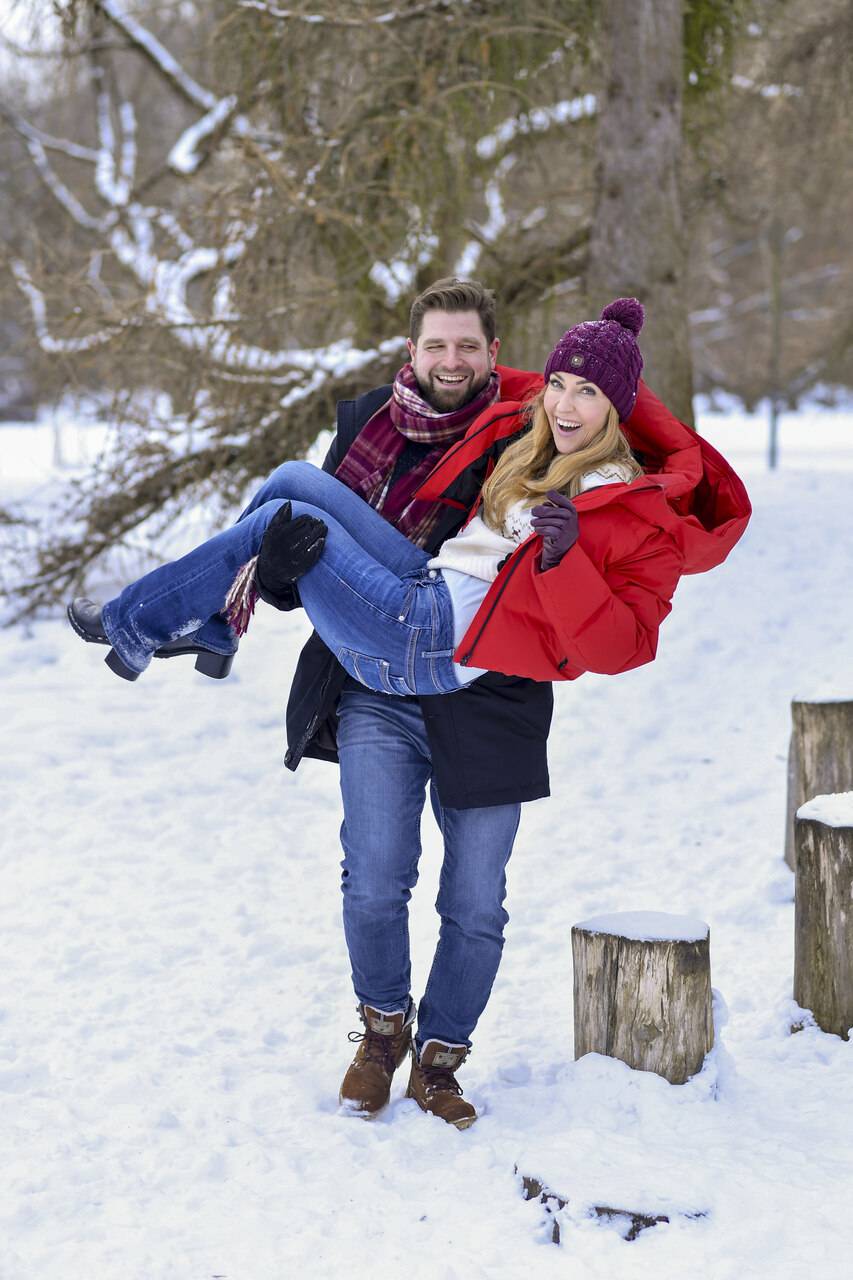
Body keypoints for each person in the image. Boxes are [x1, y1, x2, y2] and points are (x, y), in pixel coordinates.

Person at [67, 283, 751, 1128]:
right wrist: (269, 575)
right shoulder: (503, 431)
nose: (567, 402)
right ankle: (381, 1032)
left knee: (474, 902)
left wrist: (565, 557)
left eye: (590, 392)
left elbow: (622, 643)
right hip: (415, 606)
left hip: (455, 662)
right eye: (559, 384)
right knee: (290, 486)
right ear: (413, 350)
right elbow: (311, 554)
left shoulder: (615, 496)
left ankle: (440, 1058)